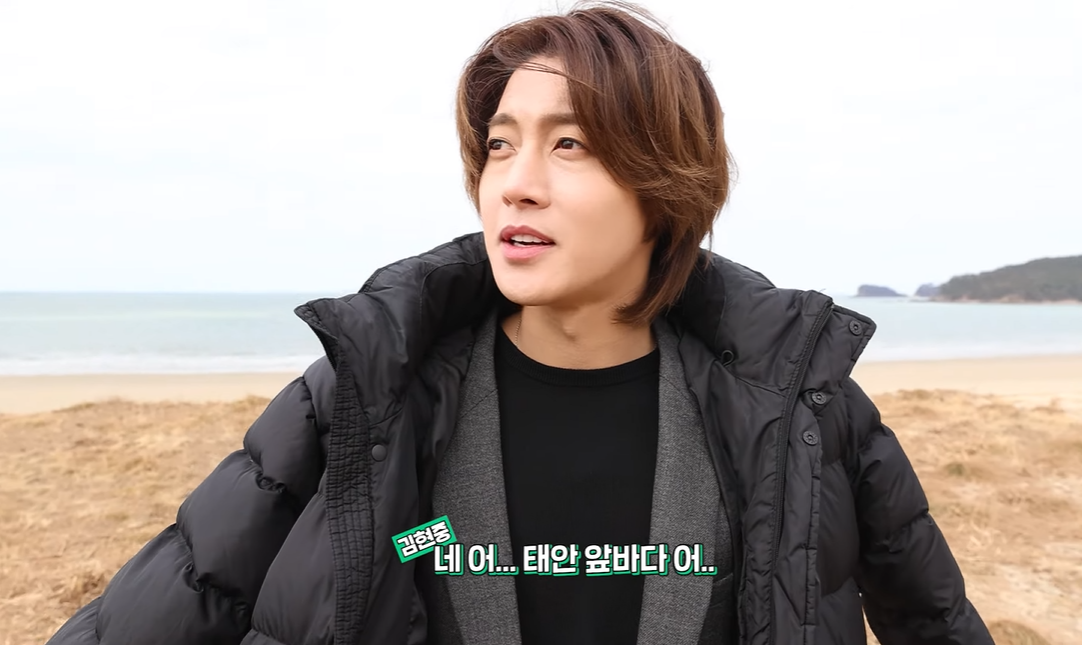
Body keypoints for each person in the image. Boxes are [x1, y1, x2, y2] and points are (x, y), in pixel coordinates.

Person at [46, 2, 992, 644]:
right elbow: (187, 590)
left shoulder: (796, 400)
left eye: (568, 142)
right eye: (500, 145)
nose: (515, 182)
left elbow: (934, 618)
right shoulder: (375, 386)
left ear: (664, 184)